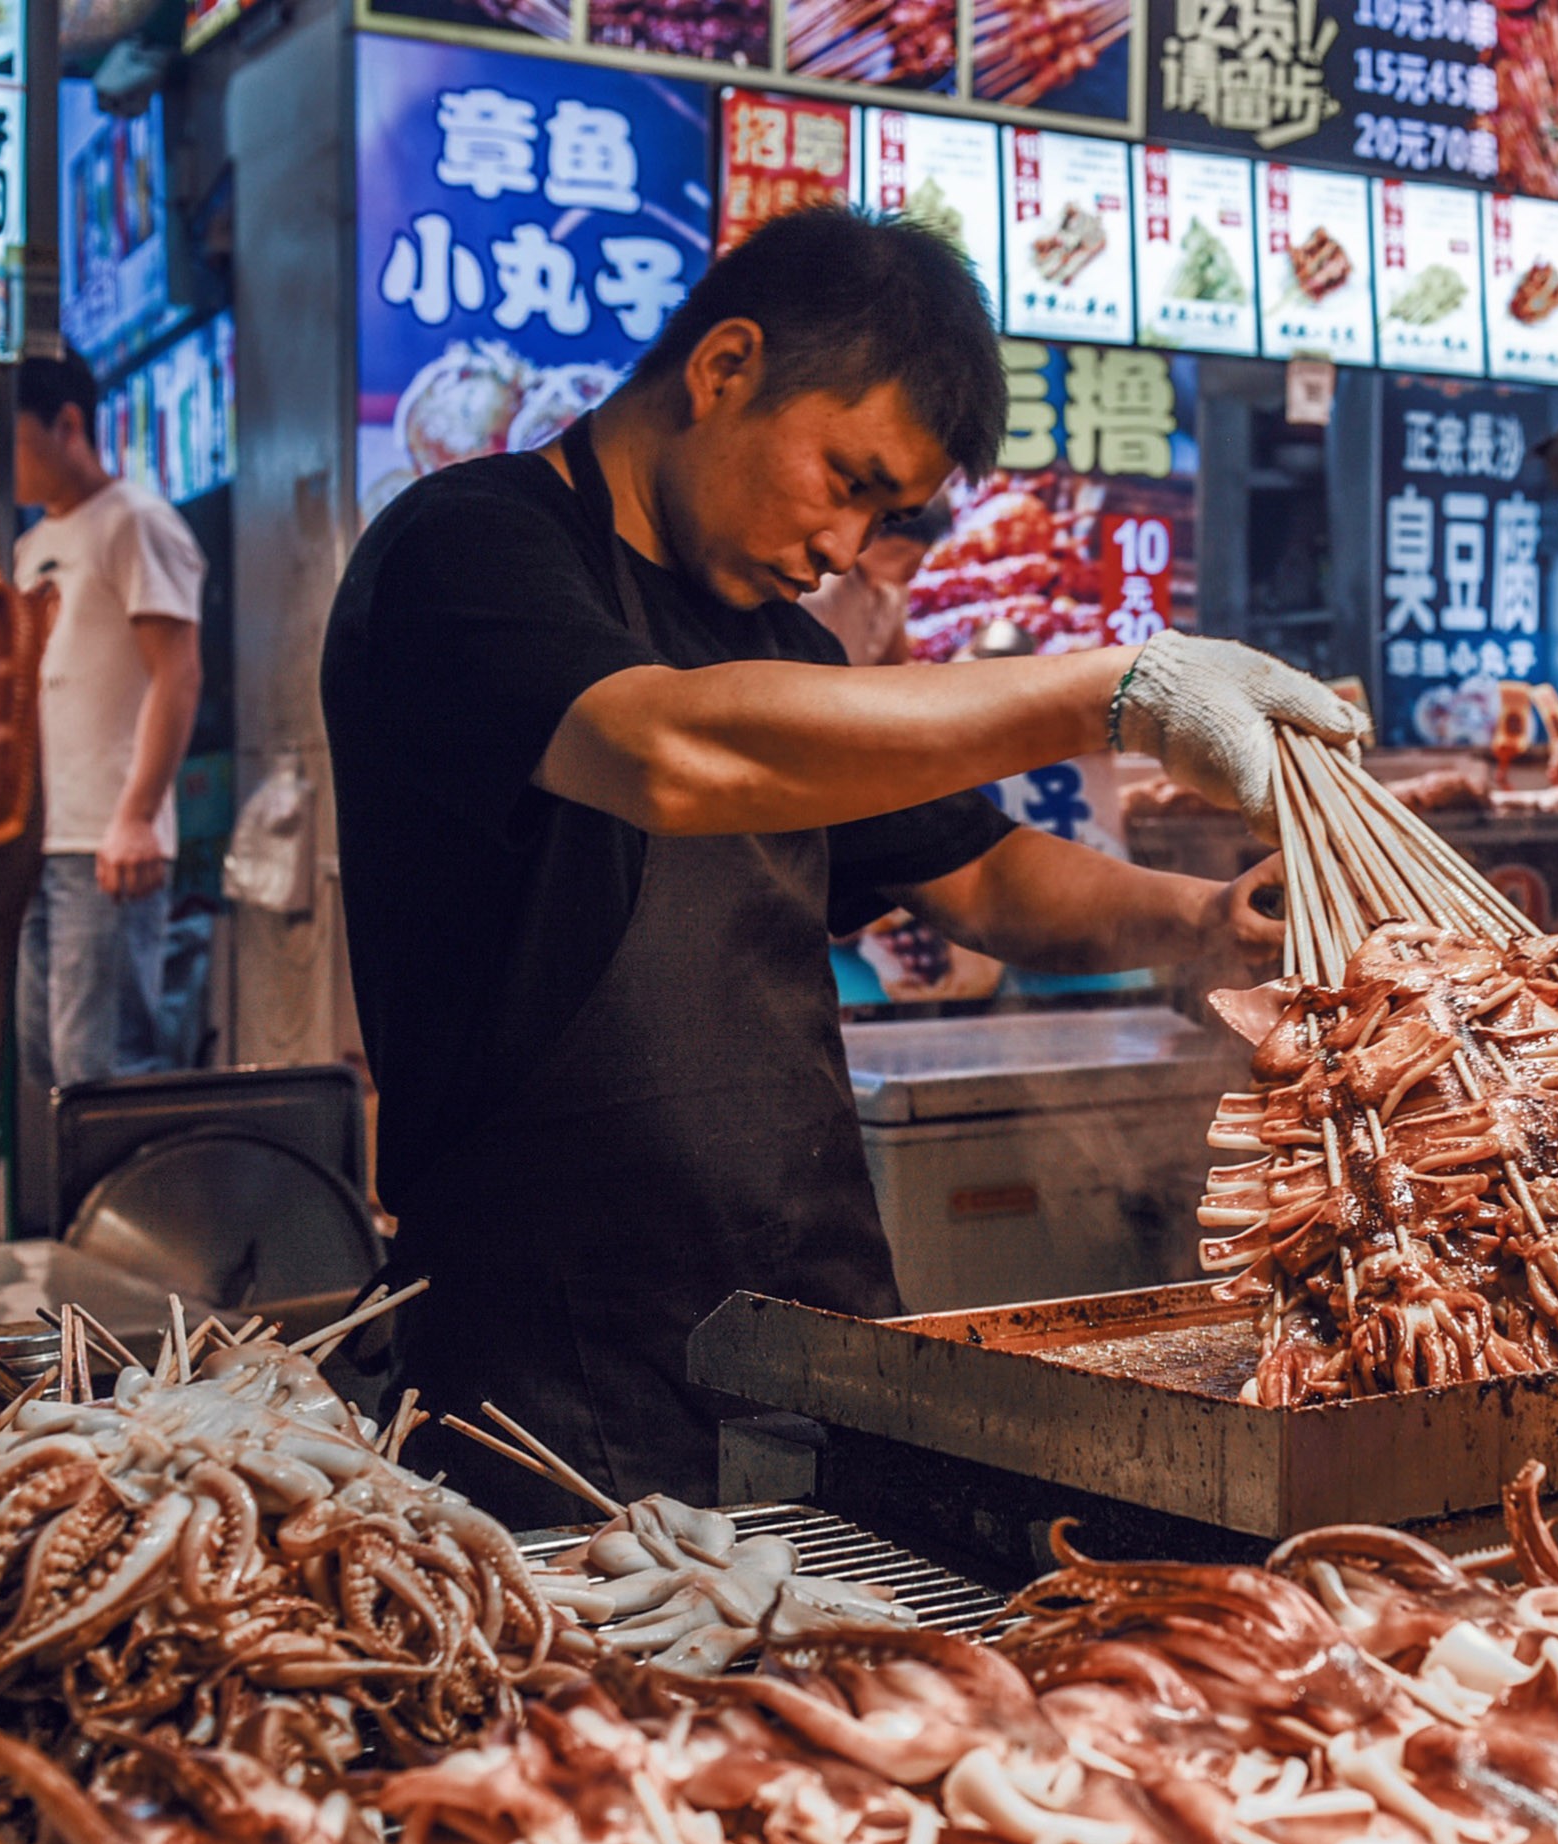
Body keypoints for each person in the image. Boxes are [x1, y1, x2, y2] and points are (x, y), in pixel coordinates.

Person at [318, 206, 1356, 1513]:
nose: (845, 552)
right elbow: (665, 753)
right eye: (847, 479)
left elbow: (980, 874)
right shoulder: (467, 549)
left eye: (887, 513)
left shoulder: (789, 648)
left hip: (815, 1324)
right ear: (724, 367)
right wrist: (1114, 688)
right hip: (552, 1359)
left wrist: (1209, 916)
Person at [0, 354, 207, 1096]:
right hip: (37, 843)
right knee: (45, 1060)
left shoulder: (136, 521)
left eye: (3, 434)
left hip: (104, 841)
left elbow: (178, 675)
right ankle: (81, 1215)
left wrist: (137, 817)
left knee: (104, 1069)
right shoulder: (33, 549)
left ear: (67, 424)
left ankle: (134, 1213)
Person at [798, 493, 946, 666]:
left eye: (919, 559)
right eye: (899, 552)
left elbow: (895, 659)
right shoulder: (822, 592)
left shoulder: (895, 592)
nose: (911, 568)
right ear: (870, 536)